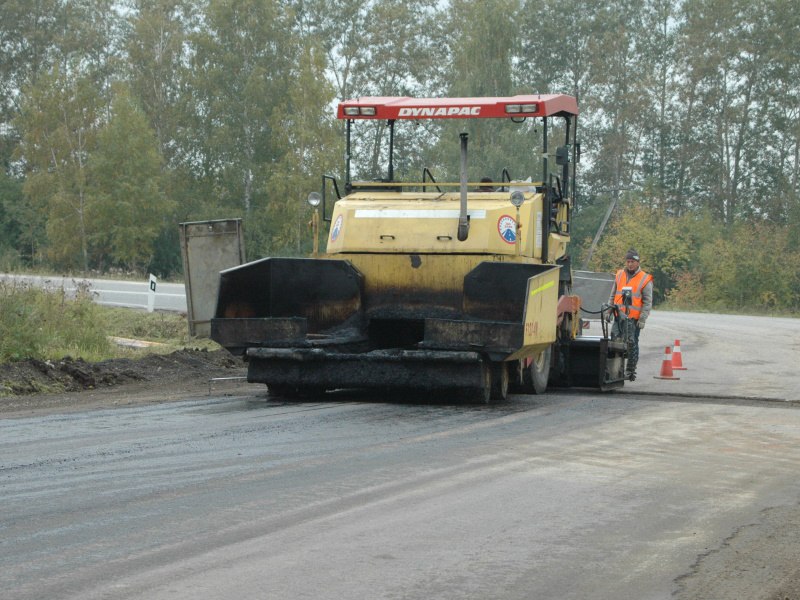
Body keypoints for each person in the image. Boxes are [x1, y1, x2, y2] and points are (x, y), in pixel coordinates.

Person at [607, 248, 653, 379]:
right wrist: (609, 311)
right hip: (618, 316)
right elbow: (612, 295)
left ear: (638, 262)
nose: (630, 264)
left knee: (632, 344)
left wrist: (643, 319)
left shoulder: (645, 279)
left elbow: (647, 302)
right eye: (628, 261)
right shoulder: (620, 275)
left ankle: (631, 371)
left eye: (632, 261)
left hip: (634, 319)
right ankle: (614, 371)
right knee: (615, 342)